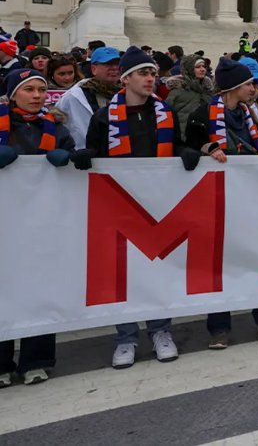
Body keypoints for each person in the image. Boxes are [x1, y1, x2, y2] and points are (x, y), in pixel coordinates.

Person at [78, 46, 196, 370]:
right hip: (120, 205)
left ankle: (160, 331)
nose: (150, 78)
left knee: (158, 269)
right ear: (127, 79)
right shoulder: (103, 117)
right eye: (144, 73)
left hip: (158, 204)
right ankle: (126, 337)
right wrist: (85, 155)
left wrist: (187, 152)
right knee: (123, 274)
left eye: (153, 73)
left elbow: (177, 145)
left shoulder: (165, 113)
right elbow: (95, 151)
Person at [185, 58, 258, 348]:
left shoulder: (251, 115)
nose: (253, 88)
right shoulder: (202, 115)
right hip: (217, 202)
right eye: (249, 83)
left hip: (250, 199)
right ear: (233, 87)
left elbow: (257, 152)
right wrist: (204, 148)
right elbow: (184, 148)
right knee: (221, 265)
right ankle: (219, 327)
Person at [0, 69, 77, 386]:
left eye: (41, 90)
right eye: (29, 90)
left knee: (41, 289)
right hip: (6, 223)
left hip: (44, 222)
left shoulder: (57, 128)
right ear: (13, 94)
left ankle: (37, 359)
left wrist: (70, 158)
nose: (36, 96)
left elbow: (73, 160)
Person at [55, 46, 122, 148]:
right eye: (108, 64)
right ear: (94, 69)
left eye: (117, 64)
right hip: (85, 159)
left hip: (121, 158)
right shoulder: (73, 97)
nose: (114, 68)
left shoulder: (129, 94)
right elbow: (59, 129)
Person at [164, 55, 215, 141]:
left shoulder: (208, 90)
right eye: (198, 67)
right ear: (189, 69)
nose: (202, 69)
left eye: (204, 66)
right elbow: (167, 115)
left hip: (206, 138)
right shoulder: (177, 91)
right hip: (184, 139)